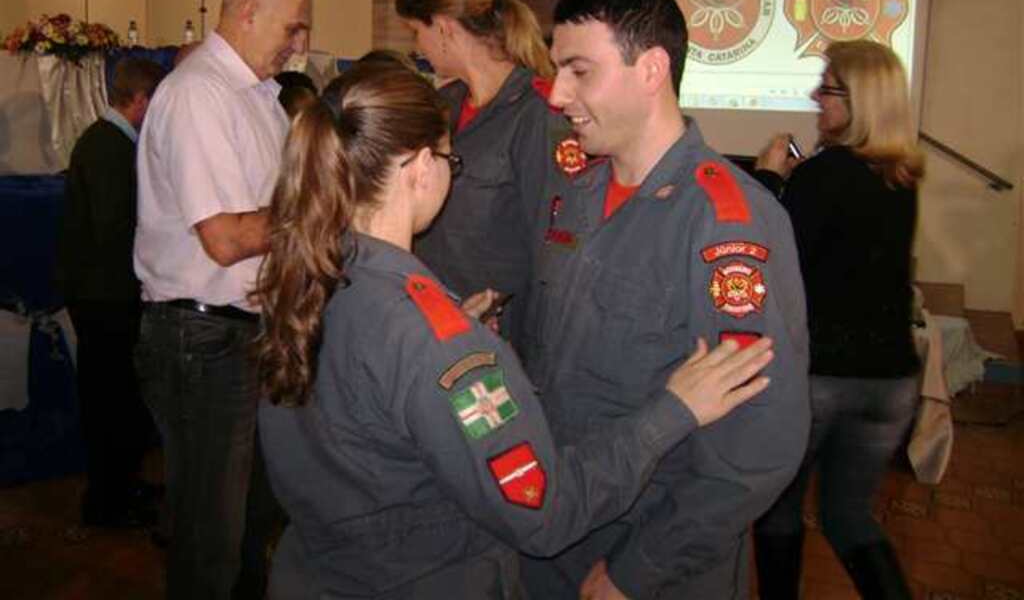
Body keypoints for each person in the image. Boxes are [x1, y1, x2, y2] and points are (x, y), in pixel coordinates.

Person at [253, 61, 778, 599]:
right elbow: (543, 512)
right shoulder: (441, 345)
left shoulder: (303, 282)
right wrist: (674, 410)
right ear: (417, 167)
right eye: (448, 159)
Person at [519, 0, 810, 600]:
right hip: (558, 529)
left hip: (650, 562)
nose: (556, 94)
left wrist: (639, 568)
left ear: (651, 69)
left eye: (579, 71)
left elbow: (758, 446)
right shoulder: (577, 192)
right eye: (556, 71)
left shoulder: (727, 223)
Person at [134, 0, 310, 600]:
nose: (299, 44)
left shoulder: (258, 97)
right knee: (211, 536)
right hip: (201, 334)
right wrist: (316, 209)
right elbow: (228, 239)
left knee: (252, 519)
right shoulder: (199, 93)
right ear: (247, 14)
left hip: (242, 332)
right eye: (292, 28)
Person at [753, 41, 923, 600]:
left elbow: (769, 259)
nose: (814, 98)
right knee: (849, 518)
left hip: (820, 377)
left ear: (860, 101)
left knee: (777, 512)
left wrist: (773, 181)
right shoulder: (901, 178)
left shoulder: (822, 177)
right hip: (892, 382)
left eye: (827, 88)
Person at [395, 0, 570, 350]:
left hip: (501, 338)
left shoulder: (538, 113)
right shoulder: (441, 105)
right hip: (431, 325)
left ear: (442, 28)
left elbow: (555, 246)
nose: (415, 47)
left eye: (415, 32)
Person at [58, 56, 166, 529]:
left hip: (102, 294)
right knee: (110, 402)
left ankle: (119, 487)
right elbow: (112, 228)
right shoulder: (108, 148)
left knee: (115, 399)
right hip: (105, 297)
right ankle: (108, 501)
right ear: (140, 100)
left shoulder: (104, 142)